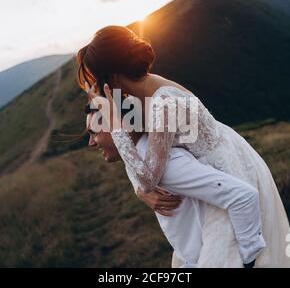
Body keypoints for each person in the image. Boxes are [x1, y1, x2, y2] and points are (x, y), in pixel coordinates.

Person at [78, 25, 290, 267]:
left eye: (97, 80)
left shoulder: (162, 102)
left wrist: (116, 127)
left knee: (227, 255)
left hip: (225, 170)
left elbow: (149, 176)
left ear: (111, 77)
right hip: (213, 165)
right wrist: (140, 192)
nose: (97, 89)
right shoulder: (142, 91)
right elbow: (140, 148)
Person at [85, 104, 265, 267]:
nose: (90, 142)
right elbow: (131, 165)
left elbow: (243, 196)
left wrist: (248, 259)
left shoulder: (167, 166)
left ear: (120, 127)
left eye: (94, 132)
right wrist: (140, 190)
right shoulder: (140, 160)